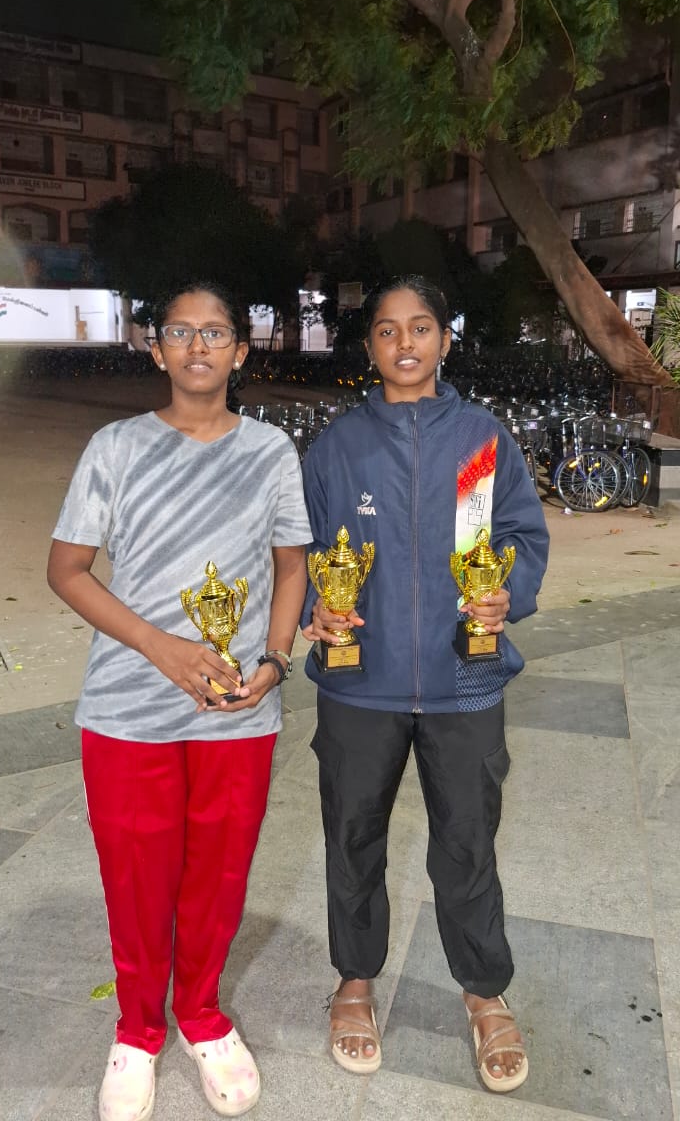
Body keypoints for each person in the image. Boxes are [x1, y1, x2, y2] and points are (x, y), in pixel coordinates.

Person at [47, 280, 311, 1121]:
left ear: (241, 350)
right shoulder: (115, 448)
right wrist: (159, 647)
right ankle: (136, 1031)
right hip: (128, 709)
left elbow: (292, 567)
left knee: (219, 875)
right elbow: (66, 571)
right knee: (137, 879)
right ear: (155, 349)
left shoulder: (271, 452)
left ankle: (200, 1014)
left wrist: (274, 660)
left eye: (216, 332)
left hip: (237, 708)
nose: (199, 346)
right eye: (181, 332)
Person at [301, 275, 549, 1094]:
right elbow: (300, 549)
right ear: (369, 345)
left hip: (463, 678)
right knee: (352, 838)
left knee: (467, 843)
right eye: (386, 330)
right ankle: (354, 981)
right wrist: (312, 608)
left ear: (445, 339)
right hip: (359, 683)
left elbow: (520, 534)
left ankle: (484, 990)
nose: (404, 343)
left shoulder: (482, 440)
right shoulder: (339, 446)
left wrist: (509, 593)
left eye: (420, 328)